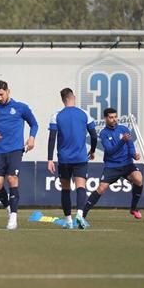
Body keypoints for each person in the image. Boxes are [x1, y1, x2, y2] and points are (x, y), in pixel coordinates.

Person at [0, 80, 39, 230]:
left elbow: (34, 124)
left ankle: (14, 218)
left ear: (8, 91)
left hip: (15, 150)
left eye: (1, 94)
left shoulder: (21, 107)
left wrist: (31, 138)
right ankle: (10, 209)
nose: (0, 98)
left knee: (12, 178)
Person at [47, 88, 97, 230]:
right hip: (80, 157)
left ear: (63, 100)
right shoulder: (84, 113)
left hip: (64, 159)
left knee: (66, 189)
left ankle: (68, 221)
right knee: (81, 187)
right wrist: (92, 150)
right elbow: (94, 135)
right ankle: (80, 215)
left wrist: (49, 159)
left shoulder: (56, 115)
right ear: (73, 97)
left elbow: (52, 138)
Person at [83, 108, 143, 220]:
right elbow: (110, 151)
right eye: (111, 117)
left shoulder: (124, 129)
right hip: (112, 166)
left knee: (138, 179)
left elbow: (130, 145)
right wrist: (122, 141)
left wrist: (133, 155)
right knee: (101, 188)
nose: (114, 119)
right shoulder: (103, 133)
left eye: (115, 117)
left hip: (127, 163)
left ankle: (134, 208)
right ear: (105, 118)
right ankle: (83, 214)